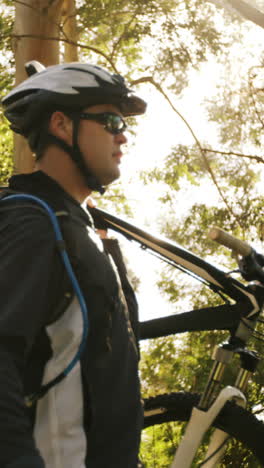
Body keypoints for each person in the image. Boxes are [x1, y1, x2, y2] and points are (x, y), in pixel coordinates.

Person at [0, 61, 147, 468]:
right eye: (111, 120)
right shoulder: (34, 224)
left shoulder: (79, 231)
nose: (124, 134)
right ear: (62, 125)